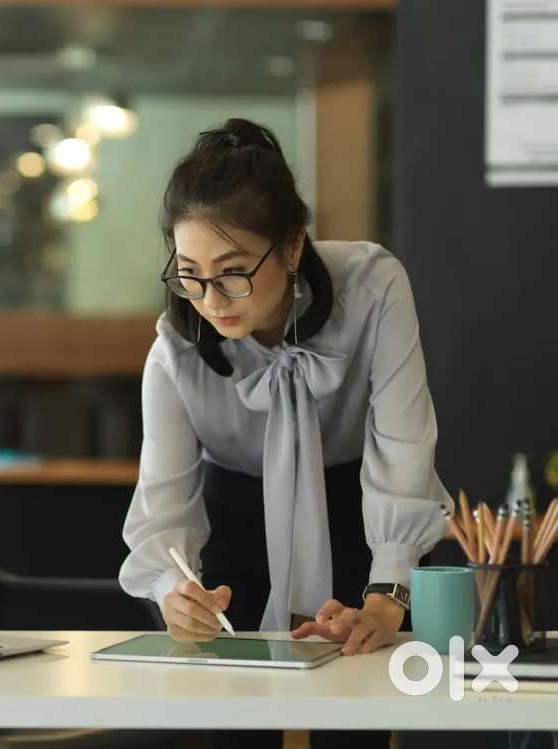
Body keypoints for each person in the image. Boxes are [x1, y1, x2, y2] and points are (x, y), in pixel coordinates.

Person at [118, 118, 452, 749]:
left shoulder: (374, 288)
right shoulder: (176, 352)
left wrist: (387, 593)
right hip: (236, 522)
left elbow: (404, 446)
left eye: (234, 270)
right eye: (189, 272)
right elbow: (162, 510)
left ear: (293, 247)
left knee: (358, 705)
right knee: (236, 719)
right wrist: (174, 592)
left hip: (364, 512)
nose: (211, 299)